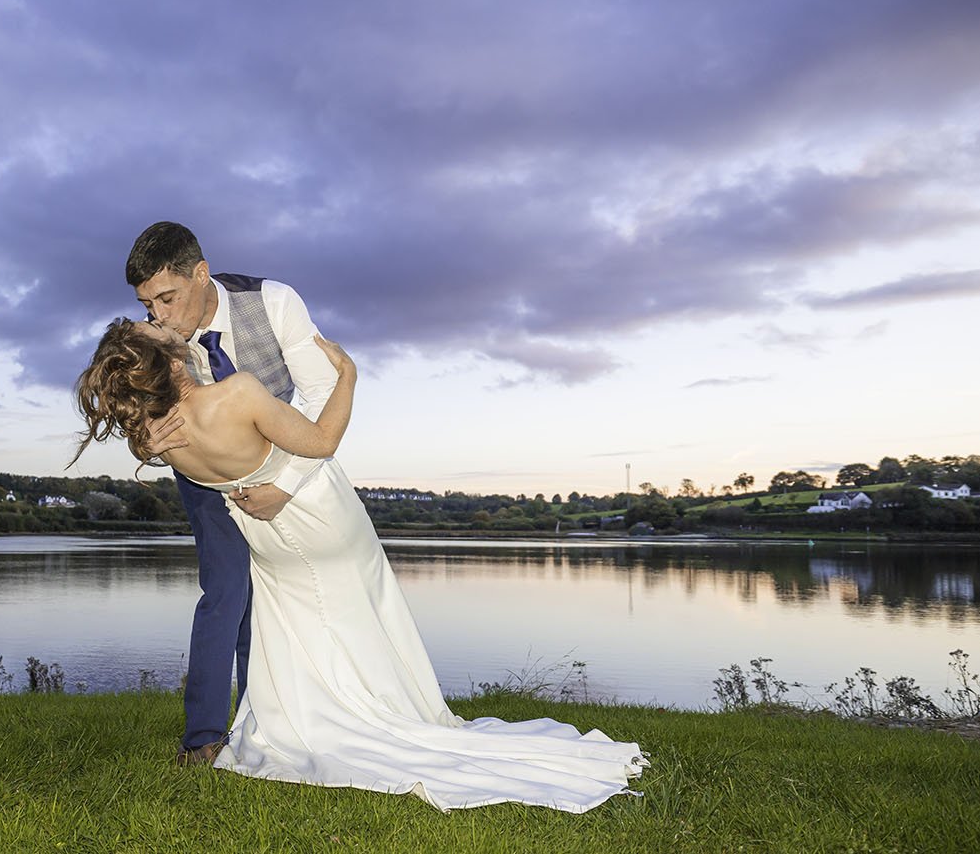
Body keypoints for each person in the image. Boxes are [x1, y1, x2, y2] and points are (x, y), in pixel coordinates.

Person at [71, 319, 647, 813]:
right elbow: (321, 442)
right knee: (364, 612)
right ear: (170, 359)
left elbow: (152, 445)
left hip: (264, 537)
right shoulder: (237, 393)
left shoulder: (155, 436)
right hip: (318, 521)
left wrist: (143, 442)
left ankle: (321, 718)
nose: (162, 322)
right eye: (155, 328)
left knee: (299, 627)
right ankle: (382, 714)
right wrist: (348, 378)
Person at [122, 222, 339, 767]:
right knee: (226, 591)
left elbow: (320, 392)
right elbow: (133, 410)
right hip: (204, 475)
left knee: (279, 599)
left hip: (288, 460)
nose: (160, 316)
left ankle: (267, 720)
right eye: (148, 304)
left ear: (201, 274)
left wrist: (283, 485)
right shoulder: (154, 335)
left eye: (167, 298)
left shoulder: (273, 301)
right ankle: (203, 740)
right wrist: (142, 441)